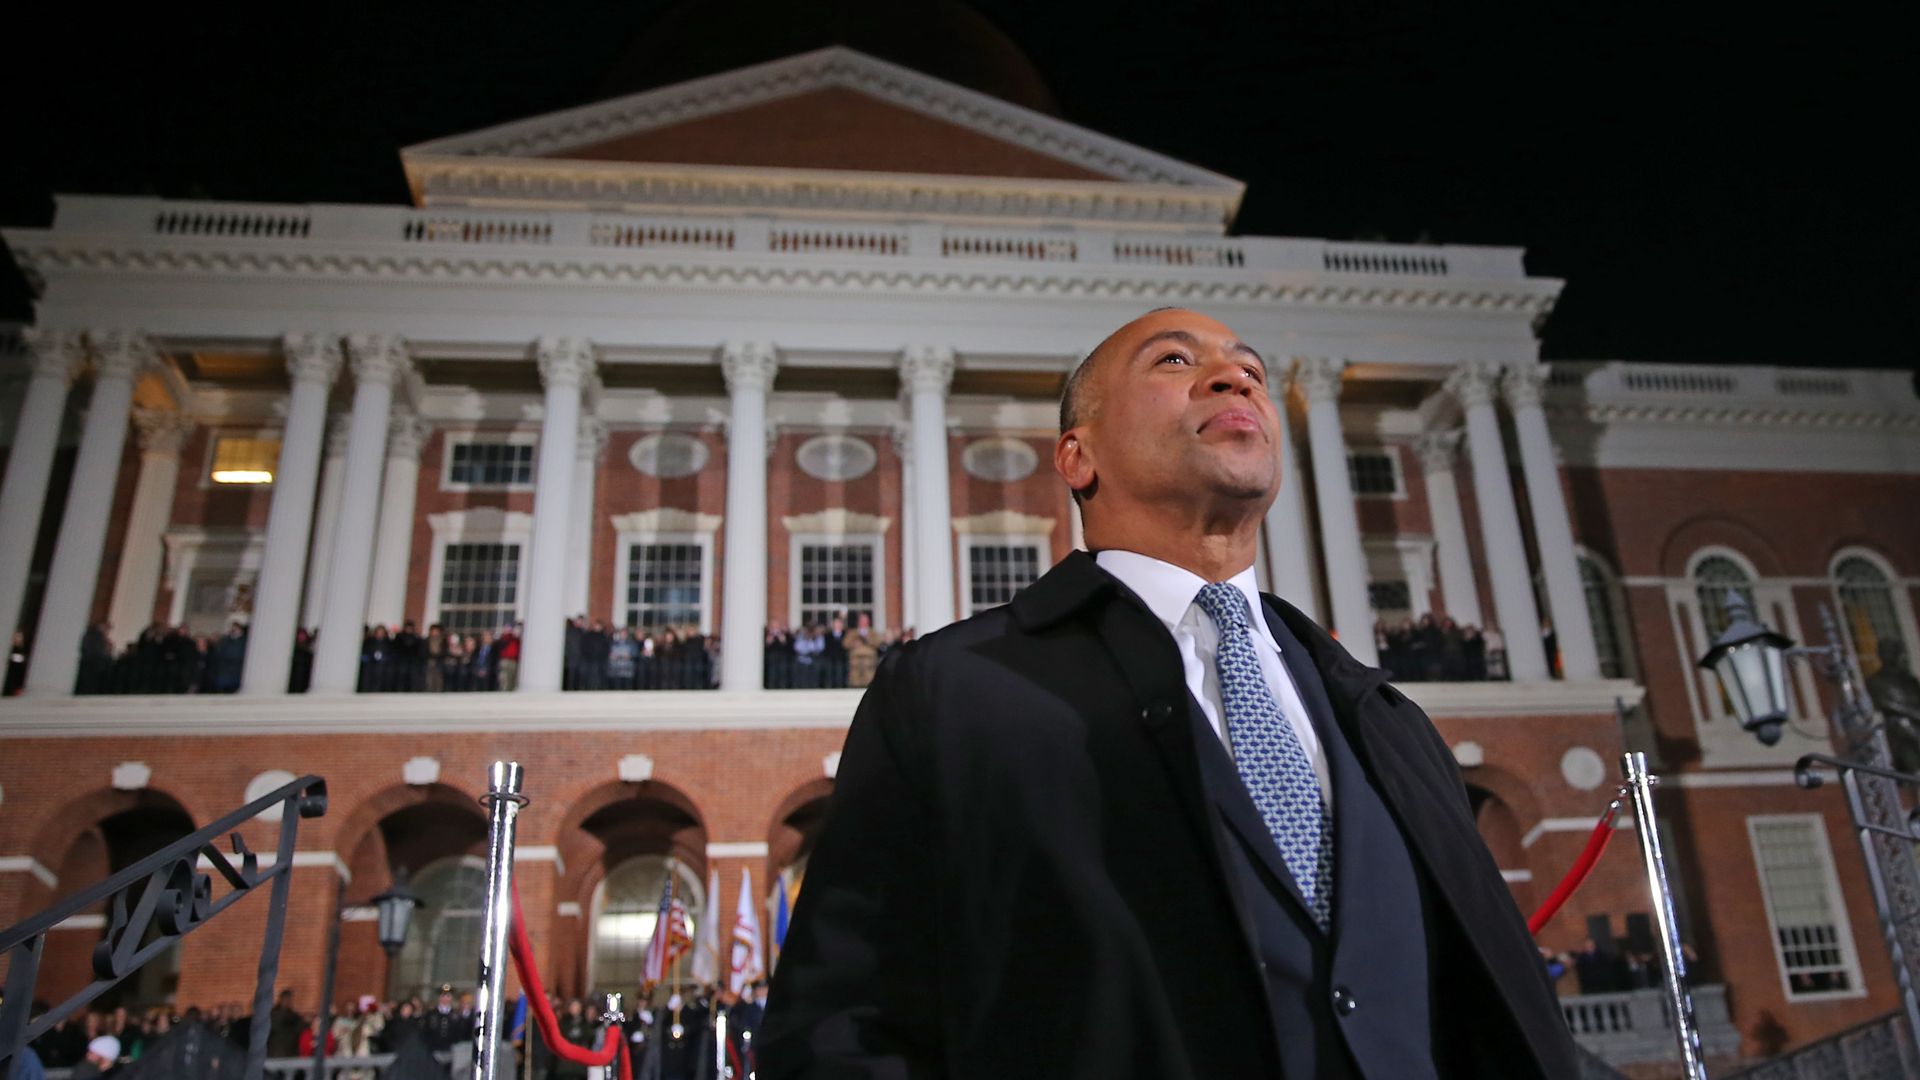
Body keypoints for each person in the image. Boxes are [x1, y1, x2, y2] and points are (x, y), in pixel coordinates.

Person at [760, 309, 1576, 1078]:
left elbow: (1491, 1014)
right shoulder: (954, 693)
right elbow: (843, 1024)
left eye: (1249, 369)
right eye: (1178, 361)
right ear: (1078, 456)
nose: (1235, 380)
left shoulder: (1379, 715)